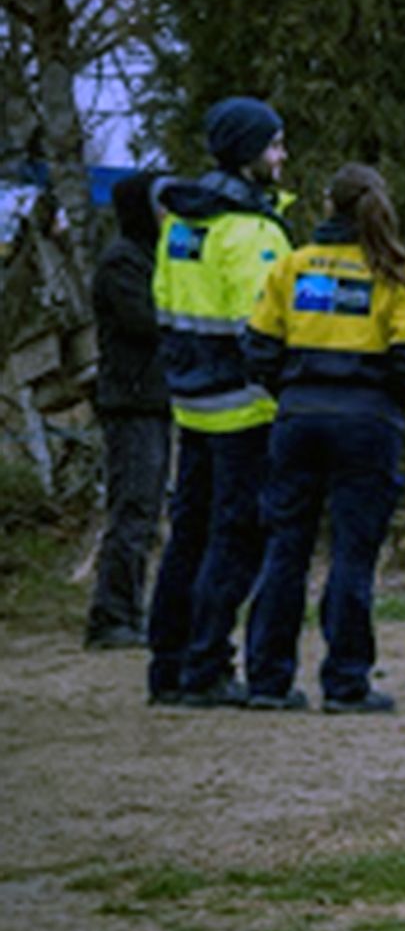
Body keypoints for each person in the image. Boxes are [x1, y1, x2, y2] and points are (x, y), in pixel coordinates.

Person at [241, 162, 405, 713]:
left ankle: (267, 681)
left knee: (286, 550)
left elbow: (257, 350)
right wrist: (383, 401)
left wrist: (297, 391)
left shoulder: (291, 267)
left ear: (327, 207)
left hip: (298, 421)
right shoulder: (400, 277)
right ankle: (347, 683)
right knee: (353, 554)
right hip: (368, 428)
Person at [147, 97, 293, 708]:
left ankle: (169, 666)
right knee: (236, 541)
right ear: (248, 152)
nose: (283, 157)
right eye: (275, 144)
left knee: (187, 537)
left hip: (191, 403)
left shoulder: (182, 223)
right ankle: (208, 665)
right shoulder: (251, 232)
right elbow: (268, 330)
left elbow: (165, 309)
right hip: (245, 410)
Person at [85, 171, 171, 650]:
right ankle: (112, 615)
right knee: (132, 510)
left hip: (152, 400)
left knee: (144, 509)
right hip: (132, 403)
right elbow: (145, 322)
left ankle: (126, 611)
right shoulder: (123, 263)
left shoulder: (145, 259)